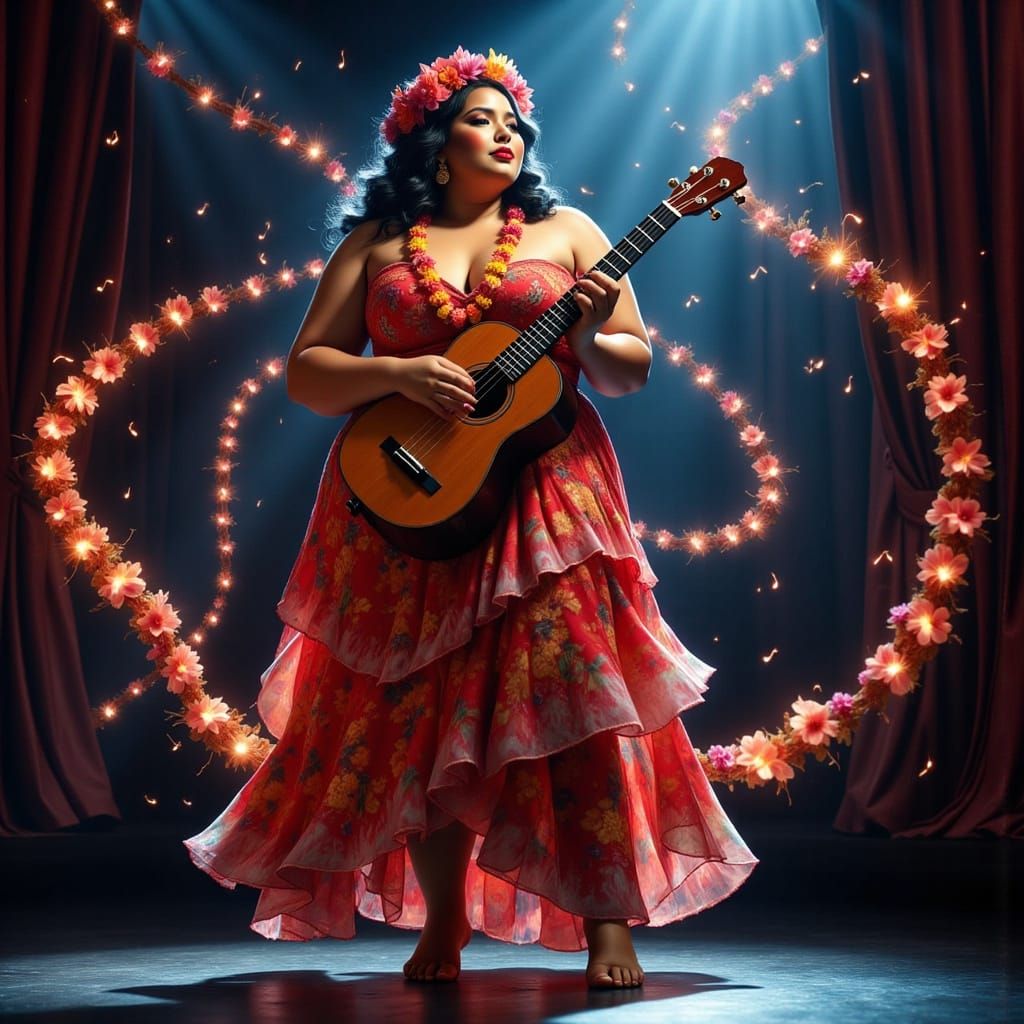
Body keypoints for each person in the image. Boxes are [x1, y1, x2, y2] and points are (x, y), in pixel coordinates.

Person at [184, 46, 757, 990]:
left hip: (550, 499)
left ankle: (608, 922)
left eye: (513, 121)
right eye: (482, 117)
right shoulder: (376, 242)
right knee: (425, 711)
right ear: (432, 141)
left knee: (576, 704)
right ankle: (442, 919)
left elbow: (627, 370)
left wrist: (591, 327)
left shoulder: (571, 231)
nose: (507, 131)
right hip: (403, 497)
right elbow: (307, 371)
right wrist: (399, 373)